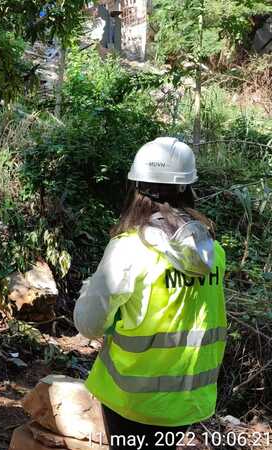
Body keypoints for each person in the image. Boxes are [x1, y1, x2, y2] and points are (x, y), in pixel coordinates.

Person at [73, 137, 227, 450]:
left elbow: (88, 324)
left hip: (134, 401)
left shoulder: (129, 249)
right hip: (187, 402)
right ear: (188, 187)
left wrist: (92, 288)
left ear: (137, 187)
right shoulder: (214, 254)